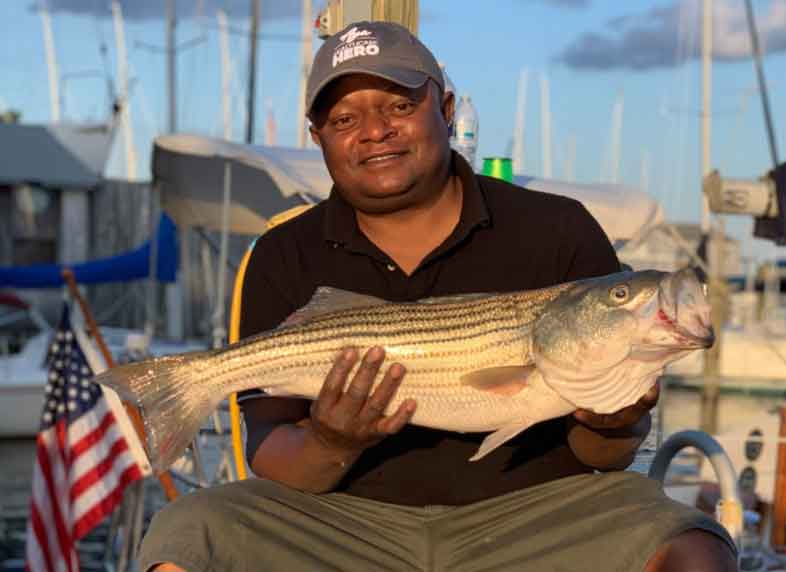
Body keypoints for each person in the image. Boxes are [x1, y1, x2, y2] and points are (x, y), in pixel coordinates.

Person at [140, 21, 736, 571]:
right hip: (342, 520)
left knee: (693, 546)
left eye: (400, 105)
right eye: (345, 120)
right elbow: (270, 449)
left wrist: (617, 417)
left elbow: (604, 457)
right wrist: (331, 440)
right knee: (188, 534)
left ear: (445, 109)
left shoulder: (558, 229)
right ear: (318, 136)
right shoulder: (283, 253)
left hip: (542, 511)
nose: (375, 131)